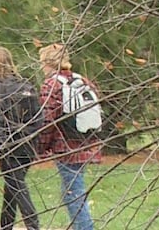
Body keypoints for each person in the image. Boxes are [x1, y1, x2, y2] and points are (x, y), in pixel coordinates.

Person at [0, 47, 41, 230]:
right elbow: (39, 117)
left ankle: (33, 225)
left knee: (16, 185)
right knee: (12, 185)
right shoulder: (26, 86)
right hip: (28, 145)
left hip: (7, 145)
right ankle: (6, 225)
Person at [37, 44, 100, 230]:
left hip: (65, 147)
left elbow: (47, 121)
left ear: (48, 62)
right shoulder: (83, 81)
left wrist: (40, 148)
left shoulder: (51, 85)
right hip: (85, 143)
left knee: (74, 193)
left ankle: (84, 228)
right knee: (72, 191)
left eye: (42, 62)